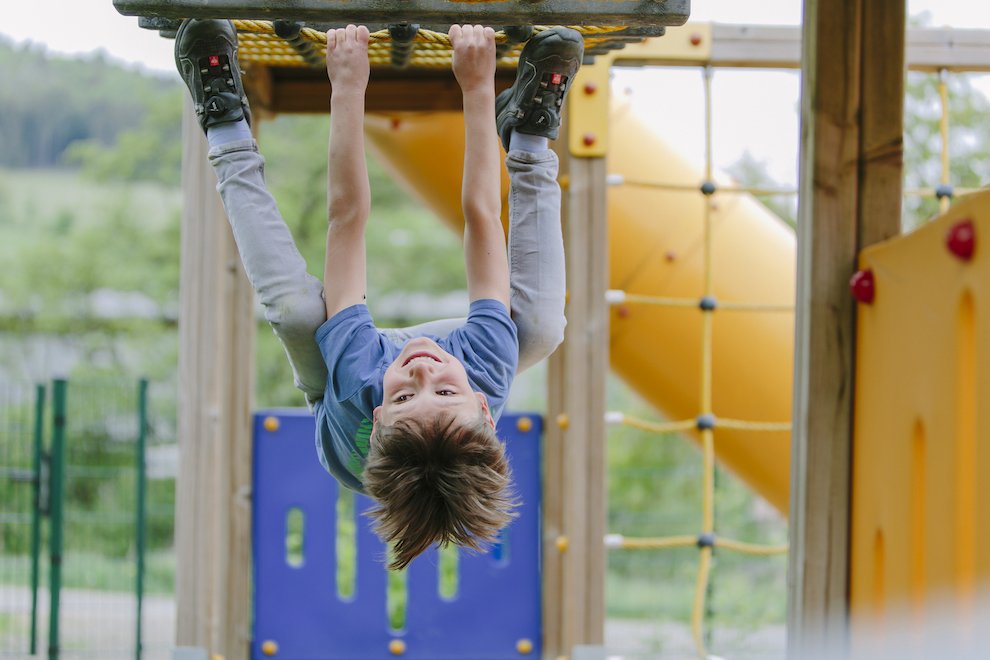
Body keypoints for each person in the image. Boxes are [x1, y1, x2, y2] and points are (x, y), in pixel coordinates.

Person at [174, 19, 583, 569]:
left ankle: (223, 123)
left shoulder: (360, 384)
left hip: (341, 386)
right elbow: (482, 217)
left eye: (407, 399)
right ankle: (530, 136)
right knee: (541, 327)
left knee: (298, 314)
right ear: (483, 405)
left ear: (381, 417)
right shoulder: (484, 370)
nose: (421, 376)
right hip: (448, 372)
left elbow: (347, 220)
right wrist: (478, 87)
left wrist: (347, 85)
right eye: (443, 394)